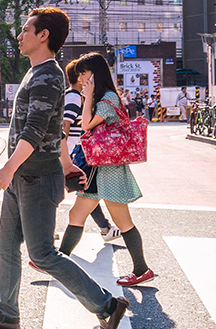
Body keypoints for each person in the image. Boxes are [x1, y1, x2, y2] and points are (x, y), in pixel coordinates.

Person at [0, 7, 130, 329]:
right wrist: (66, 162)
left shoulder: (47, 76)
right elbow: (57, 126)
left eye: (26, 29)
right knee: (7, 243)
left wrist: (8, 167)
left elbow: (36, 129)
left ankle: (106, 305)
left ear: (43, 36)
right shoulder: (36, 73)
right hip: (24, 177)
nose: (20, 35)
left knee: (41, 253)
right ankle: (6, 313)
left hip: (34, 178)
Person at [58, 53, 154, 285]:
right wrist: (88, 96)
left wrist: (88, 96)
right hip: (98, 167)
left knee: (122, 221)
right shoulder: (103, 97)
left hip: (109, 169)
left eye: (83, 73)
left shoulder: (108, 98)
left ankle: (142, 269)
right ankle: (57, 263)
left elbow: (87, 124)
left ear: (95, 73)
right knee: (76, 215)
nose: (80, 78)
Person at [61, 67, 118, 243]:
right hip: (71, 152)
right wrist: (65, 153)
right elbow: (66, 124)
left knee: (85, 193)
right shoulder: (74, 97)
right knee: (77, 192)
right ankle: (43, 234)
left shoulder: (74, 95)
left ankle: (105, 227)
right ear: (79, 79)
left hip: (73, 152)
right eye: (84, 74)